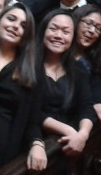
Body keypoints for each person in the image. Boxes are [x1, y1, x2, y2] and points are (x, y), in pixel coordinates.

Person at [0, 3, 46, 169]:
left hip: (7, 158)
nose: (15, 26)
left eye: (23, 26)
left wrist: (37, 144)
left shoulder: (32, 70)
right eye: (11, 19)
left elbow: (33, 119)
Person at [36, 10, 94, 157]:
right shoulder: (28, 65)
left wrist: (82, 134)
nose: (58, 36)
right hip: (36, 143)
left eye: (66, 31)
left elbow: (86, 106)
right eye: (53, 28)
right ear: (43, 30)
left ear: (73, 37)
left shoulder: (78, 70)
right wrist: (67, 130)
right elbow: (31, 111)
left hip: (68, 145)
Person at [72, 6, 101, 123]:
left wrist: (99, 103)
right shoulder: (58, 52)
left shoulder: (91, 61)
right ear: (75, 22)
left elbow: (96, 89)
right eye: (88, 23)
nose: (92, 31)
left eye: (98, 28)